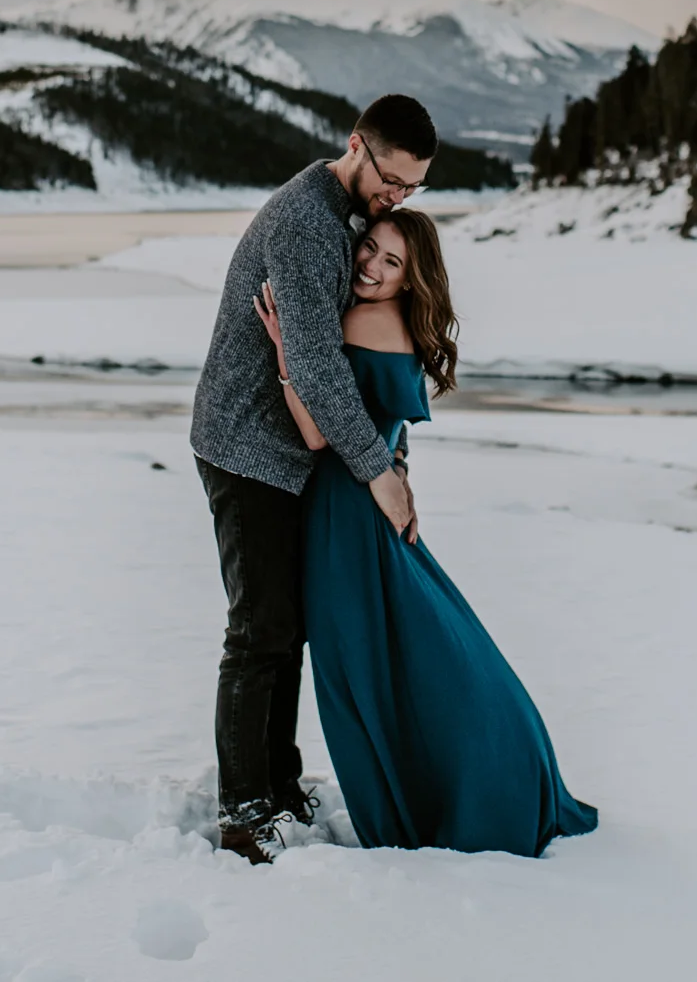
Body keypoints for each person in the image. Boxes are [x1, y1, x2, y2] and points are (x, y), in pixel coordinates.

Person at [256, 206, 598, 858]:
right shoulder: (393, 322)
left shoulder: (365, 318)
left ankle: (444, 794)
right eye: (371, 250)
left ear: (413, 279)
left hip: (346, 514)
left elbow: (315, 432)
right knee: (412, 651)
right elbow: (389, 428)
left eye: (393, 262)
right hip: (361, 508)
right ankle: (479, 777)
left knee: (367, 662)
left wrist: (285, 352)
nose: (373, 267)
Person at [190, 94, 433, 864]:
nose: (396, 197)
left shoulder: (347, 217)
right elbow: (322, 370)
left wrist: (388, 456)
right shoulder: (306, 221)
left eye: (411, 189)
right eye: (391, 178)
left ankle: (282, 780)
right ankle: (243, 810)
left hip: (289, 449)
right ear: (355, 145)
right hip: (246, 445)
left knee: (285, 624)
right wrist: (379, 474)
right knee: (259, 627)